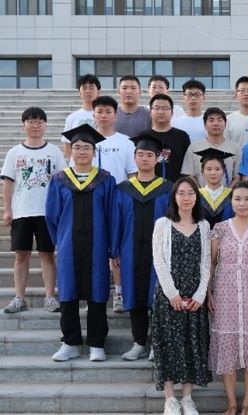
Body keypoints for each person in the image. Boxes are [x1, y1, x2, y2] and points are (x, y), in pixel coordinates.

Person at [46, 124, 119, 362]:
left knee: (97, 291)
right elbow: (52, 216)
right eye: (77, 147)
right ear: (70, 151)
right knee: (68, 292)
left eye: (87, 147)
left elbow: (112, 214)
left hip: (98, 245)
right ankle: (71, 342)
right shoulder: (60, 180)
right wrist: (60, 241)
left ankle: (97, 343)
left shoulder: (105, 180)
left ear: (94, 152)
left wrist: (112, 245)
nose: (82, 151)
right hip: (69, 244)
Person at [208, 181, 248, 415]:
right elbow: (211, 264)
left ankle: (247, 404)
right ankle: (231, 404)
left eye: (247, 199)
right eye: (237, 199)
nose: (242, 203)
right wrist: (209, 293)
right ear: (231, 202)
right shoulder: (220, 229)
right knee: (227, 346)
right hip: (224, 294)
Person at [151, 176, 211, 415]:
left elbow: (206, 263)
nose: (186, 198)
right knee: (167, 344)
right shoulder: (163, 224)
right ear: (174, 197)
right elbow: (159, 261)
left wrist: (200, 294)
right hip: (168, 295)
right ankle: (170, 399)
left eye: (191, 193)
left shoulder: (204, 226)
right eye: (181, 193)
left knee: (191, 344)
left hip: (195, 296)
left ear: (197, 197)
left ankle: (187, 397)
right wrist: (172, 294)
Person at [1, 107, 66, 314]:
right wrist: (7, 209)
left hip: (47, 212)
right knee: (21, 255)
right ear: (24, 125)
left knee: (47, 254)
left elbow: (62, 182)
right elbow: (8, 183)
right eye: (31, 121)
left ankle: (50, 297)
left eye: (39, 121)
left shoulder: (54, 151)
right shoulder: (15, 152)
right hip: (22, 211)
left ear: (45, 125)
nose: (35, 125)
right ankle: (19, 298)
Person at [117, 133, 173, 361]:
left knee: (158, 295)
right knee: (135, 295)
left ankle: (157, 345)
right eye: (140, 154)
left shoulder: (167, 188)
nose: (145, 158)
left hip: (160, 252)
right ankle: (139, 342)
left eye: (150, 154)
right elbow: (116, 220)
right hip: (130, 250)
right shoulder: (123, 188)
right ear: (134, 157)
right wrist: (114, 250)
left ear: (158, 158)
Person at [91, 95, 139, 313]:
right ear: (94, 115)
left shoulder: (126, 142)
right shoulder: (86, 142)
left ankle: (119, 293)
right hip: (92, 202)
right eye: (99, 111)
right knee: (95, 249)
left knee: (117, 250)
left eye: (108, 111)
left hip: (119, 202)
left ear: (115, 115)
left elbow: (133, 174)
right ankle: (95, 294)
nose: (104, 115)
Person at [181, 107, 240, 187]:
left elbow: (237, 177)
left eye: (219, 120)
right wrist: (200, 192)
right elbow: (189, 174)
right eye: (211, 120)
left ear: (225, 124)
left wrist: (228, 192)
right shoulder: (194, 147)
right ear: (205, 125)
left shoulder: (235, 148)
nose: (216, 123)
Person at [149, 93, 191, 182]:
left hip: (176, 187)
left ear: (172, 113)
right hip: (149, 187)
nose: (161, 112)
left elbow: (188, 167)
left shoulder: (182, 137)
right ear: (150, 112)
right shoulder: (144, 137)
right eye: (157, 108)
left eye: (165, 108)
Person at [61, 74, 101, 159]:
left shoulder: (105, 116)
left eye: (91, 87)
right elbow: (67, 144)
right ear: (79, 92)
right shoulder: (72, 117)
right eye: (84, 88)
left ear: (98, 91)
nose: (88, 91)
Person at [194, 148, 235, 229]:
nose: (213, 173)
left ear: (223, 171)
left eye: (217, 169)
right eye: (209, 169)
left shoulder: (232, 195)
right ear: (202, 172)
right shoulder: (196, 195)